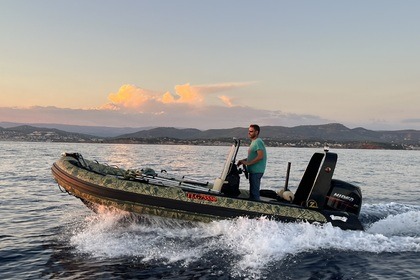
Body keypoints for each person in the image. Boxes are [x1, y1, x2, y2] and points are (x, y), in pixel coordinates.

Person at [237, 124, 267, 200]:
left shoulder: (258, 141)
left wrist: (248, 163)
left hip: (256, 172)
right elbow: (253, 156)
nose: (249, 133)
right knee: (252, 192)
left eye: (251, 131)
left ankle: (256, 209)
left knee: (254, 193)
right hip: (253, 171)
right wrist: (243, 161)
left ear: (256, 132)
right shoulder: (254, 142)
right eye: (249, 131)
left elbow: (260, 156)